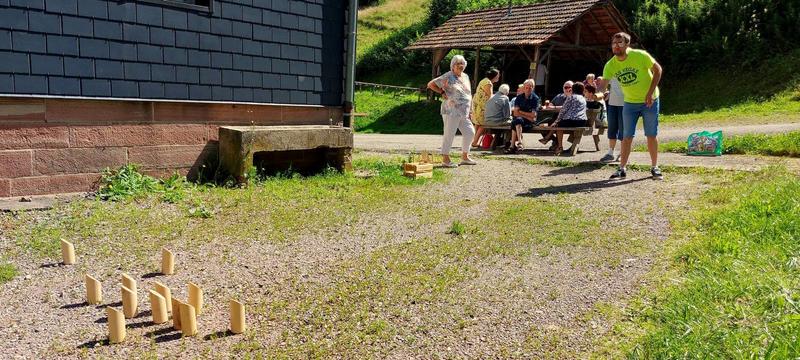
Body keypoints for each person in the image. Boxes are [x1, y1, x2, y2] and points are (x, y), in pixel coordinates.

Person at [598, 32, 663, 180]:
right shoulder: (611, 64)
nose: (616, 46)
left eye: (620, 43)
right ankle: (622, 168)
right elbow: (603, 86)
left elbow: (658, 70)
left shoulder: (640, 56)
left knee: (651, 135)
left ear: (627, 44)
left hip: (650, 101)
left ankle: (655, 167)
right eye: (614, 43)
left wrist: (649, 93)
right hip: (630, 102)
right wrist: (597, 95)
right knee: (626, 136)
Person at [427, 55, 477, 167]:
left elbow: (469, 94)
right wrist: (442, 92)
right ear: (453, 66)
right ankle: (445, 159)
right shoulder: (448, 76)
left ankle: (465, 157)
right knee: (449, 134)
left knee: (470, 133)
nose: (460, 66)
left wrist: (471, 110)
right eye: (458, 63)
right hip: (451, 110)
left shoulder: (465, 76)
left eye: (462, 63)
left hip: (464, 112)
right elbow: (430, 84)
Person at [548, 82, 588, 155]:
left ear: (573, 89)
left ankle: (560, 146)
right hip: (582, 121)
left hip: (572, 121)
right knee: (560, 124)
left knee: (558, 125)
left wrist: (556, 121)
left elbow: (563, 110)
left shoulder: (571, 97)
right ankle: (549, 139)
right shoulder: (583, 98)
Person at [506, 79, 539, 153]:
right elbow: (515, 113)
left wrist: (520, 112)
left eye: (530, 87)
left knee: (516, 122)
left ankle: (512, 146)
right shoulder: (519, 97)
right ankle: (519, 143)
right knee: (517, 120)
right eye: (526, 87)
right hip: (524, 120)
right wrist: (527, 116)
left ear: (533, 88)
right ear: (524, 88)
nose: (528, 89)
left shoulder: (535, 98)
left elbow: (533, 115)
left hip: (529, 123)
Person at [470, 68, 500, 148]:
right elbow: (490, 96)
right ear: (494, 76)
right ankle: (475, 142)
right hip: (482, 107)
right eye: (498, 75)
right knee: (483, 124)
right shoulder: (488, 83)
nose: (499, 77)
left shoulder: (484, 80)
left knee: (477, 124)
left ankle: (474, 141)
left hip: (478, 105)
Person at [599, 78, 624, 163]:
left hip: (625, 103)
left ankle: (622, 153)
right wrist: (607, 92)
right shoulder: (611, 69)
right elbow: (604, 84)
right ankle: (610, 153)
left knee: (623, 129)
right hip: (612, 104)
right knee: (612, 129)